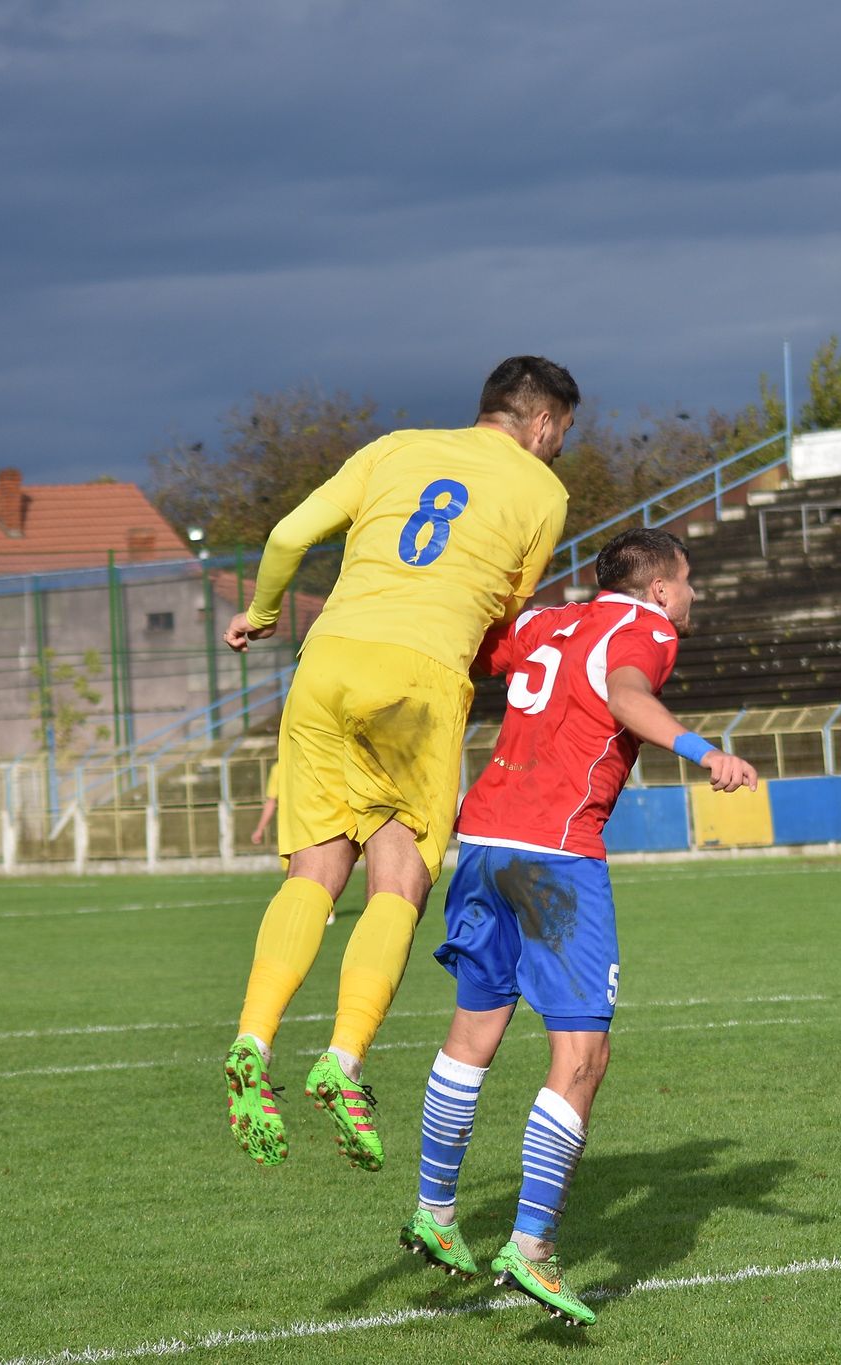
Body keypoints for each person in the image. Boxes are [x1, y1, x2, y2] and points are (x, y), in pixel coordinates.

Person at [219, 356, 577, 1172]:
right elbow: (503, 617)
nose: (559, 447)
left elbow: (286, 537)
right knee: (398, 885)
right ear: (542, 423)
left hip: (326, 661)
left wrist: (263, 611)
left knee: (312, 874)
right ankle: (343, 1059)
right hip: (420, 675)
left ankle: (253, 1037)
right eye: (562, 432)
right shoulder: (542, 491)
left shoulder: (393, 448)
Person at [397, 528, 757, 1326]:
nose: (692, 594)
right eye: (688, 580)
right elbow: (625, 694)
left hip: (482, 841)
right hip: (555, 857)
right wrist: (705, 752)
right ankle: (529, 1247)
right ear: (658, 589)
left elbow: (469, 647)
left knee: (473, 1032)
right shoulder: (647, 628)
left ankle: (435, 1210)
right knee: (583, 1054)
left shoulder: (547, 621)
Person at [252, 761, 332, 924]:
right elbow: (271, 801)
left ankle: (323, 909)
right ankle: (299, 911)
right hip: (288, 829)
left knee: (313, 867)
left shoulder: (309, 762)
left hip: (311, 824)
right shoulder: (278, 769)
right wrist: (260, 828)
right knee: (293, 872)